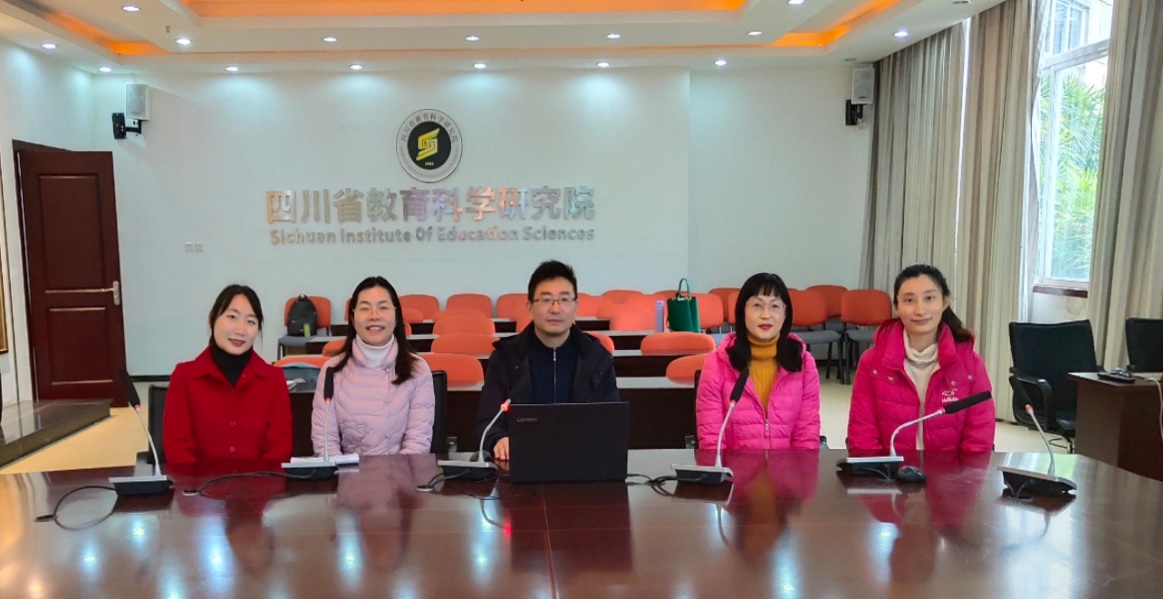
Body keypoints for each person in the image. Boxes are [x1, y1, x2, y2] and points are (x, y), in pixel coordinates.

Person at [476, 260, 619, 461]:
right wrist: (498, 439)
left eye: (564, 300)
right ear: (529, 307)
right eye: (546, 300)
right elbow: (488, 421)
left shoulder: (596, 358)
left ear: (576, 307)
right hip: (520, 463)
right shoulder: (506, 357)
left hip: (582, 463)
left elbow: (612, 423)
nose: (555, 308)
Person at [847, 264, 994, 453]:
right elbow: (862, 432)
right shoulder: (872, 362)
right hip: (890, 469)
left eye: (929, 298)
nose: (920, 310)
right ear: (897, 307)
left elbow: (979, 436)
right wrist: (876, 470)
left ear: (944, 302)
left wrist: (964, 472)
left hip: (952, 470)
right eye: (909, 300)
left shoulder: (970, 364)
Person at [163, 284, 292, 463]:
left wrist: (259, 480)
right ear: (212, 319)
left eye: (251, 322)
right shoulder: (184, 377)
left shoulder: (274, 379)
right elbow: (178, 450)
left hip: (261, 480)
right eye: (232, 317)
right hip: (198, 481)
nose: (240, 330)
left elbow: (279, 448)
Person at [695, 273, 821, 450]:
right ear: (742, 312)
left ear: (785, 314)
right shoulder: (716, 364)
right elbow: (712, 442)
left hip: (787, 467)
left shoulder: (804, 364)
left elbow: (806, 437)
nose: (765, 315)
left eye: (775, 306)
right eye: (757, 305)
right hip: (734, 468)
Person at [312, 276, 434, 456]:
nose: (374, 316)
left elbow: (418, 443)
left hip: (402, 472)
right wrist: (345, 472)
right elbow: (325, 444)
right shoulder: (332, 370)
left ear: (396, 317)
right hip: (347, 473)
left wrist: (394, 474)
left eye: (383, 308)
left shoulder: (418, 369)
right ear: (352, 318)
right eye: (365, 308)